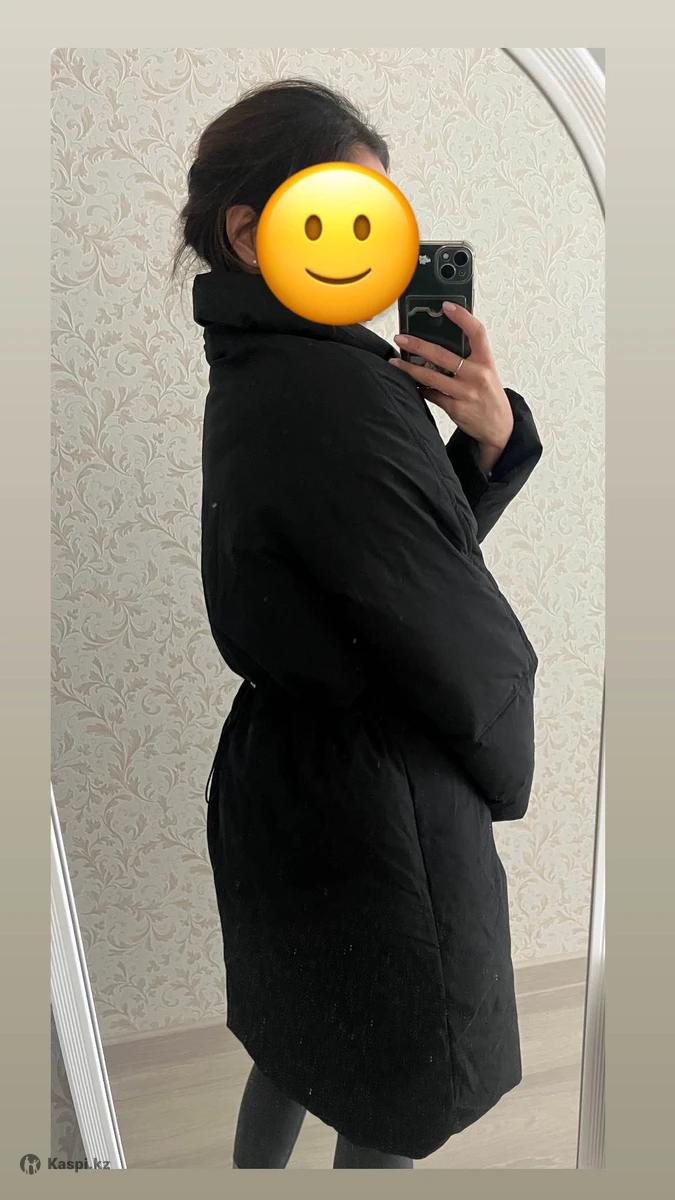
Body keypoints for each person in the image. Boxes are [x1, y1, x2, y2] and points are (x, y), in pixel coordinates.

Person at [172, 77, 543, 1169]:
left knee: (301, 1036)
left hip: (288, 772)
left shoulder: (267, 362)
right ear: (253, 233)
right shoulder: (337, 387)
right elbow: (440, 620)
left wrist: (486, 444)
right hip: (376, 802)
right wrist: (505, 761)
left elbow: (371, 564)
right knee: (391, 1088)